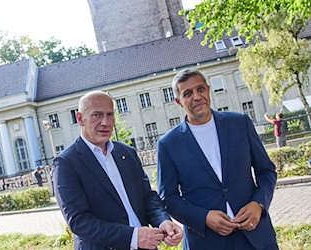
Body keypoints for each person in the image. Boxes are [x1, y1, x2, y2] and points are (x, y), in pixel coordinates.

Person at [157, 68, 278, 250]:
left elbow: (266, 171)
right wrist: (204, 217)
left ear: (208, 89)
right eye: (187, 93)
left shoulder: (240, 123)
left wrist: (259, 203)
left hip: (255, 237)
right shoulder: (168, 144)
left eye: (200, 89)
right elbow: (169, 198)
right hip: (206, 241)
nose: (196, 97)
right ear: (178, 102)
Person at [53, 91, 183, 250]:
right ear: (80, 119)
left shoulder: (127, 153)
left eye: (110, 114)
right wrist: (133, 237)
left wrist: (163, 221)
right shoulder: (66, 163)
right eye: (97, 115)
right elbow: (79, 221)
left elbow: (148, 197)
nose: (105, 122)